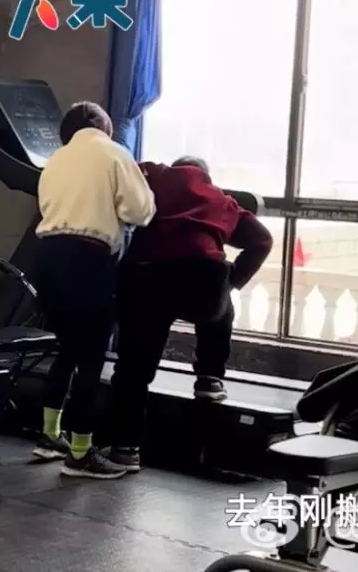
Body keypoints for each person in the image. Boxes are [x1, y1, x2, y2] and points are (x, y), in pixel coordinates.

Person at [103, 155, 274, 472]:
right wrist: (233, 280)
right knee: (222, 302)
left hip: (148, 277)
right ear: (206, 176)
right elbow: (262, 240)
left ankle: (124, 450)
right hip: (202, 279)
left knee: (133, 371)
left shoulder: (153, 176)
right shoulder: (221, 199)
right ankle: (209, 378)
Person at [32, 101, 156, 479]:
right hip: (88, 258)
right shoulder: (115, 154)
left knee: (66, 349)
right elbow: (140, 211)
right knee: (90, 358)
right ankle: (81, 454)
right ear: (106, 127)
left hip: (47, 259)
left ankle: (49, 435)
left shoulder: (54, 161)